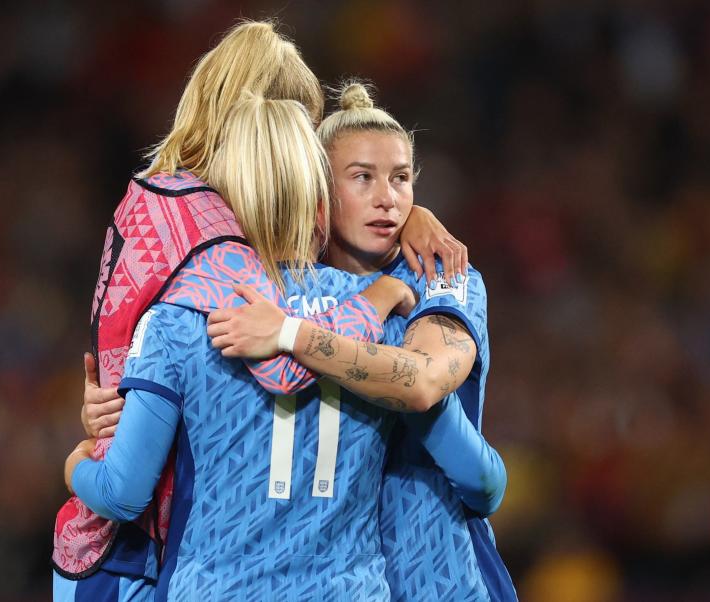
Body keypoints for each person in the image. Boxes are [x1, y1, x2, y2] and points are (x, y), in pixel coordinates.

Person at [54, 19, 465, 600]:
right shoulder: (217, 252)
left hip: (152, 546)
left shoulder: (151, 208)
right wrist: (376, 294)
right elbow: (282, 362)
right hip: (135, 552)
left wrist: (408, 215)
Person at [192, 83, 518, 600]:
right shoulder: (274, 286)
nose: (387, 199)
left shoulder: (441, 276)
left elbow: (428, 389)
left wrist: (291, 335)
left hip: (443, 573)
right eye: (362, 178)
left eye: (401, 179)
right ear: (317, 187)